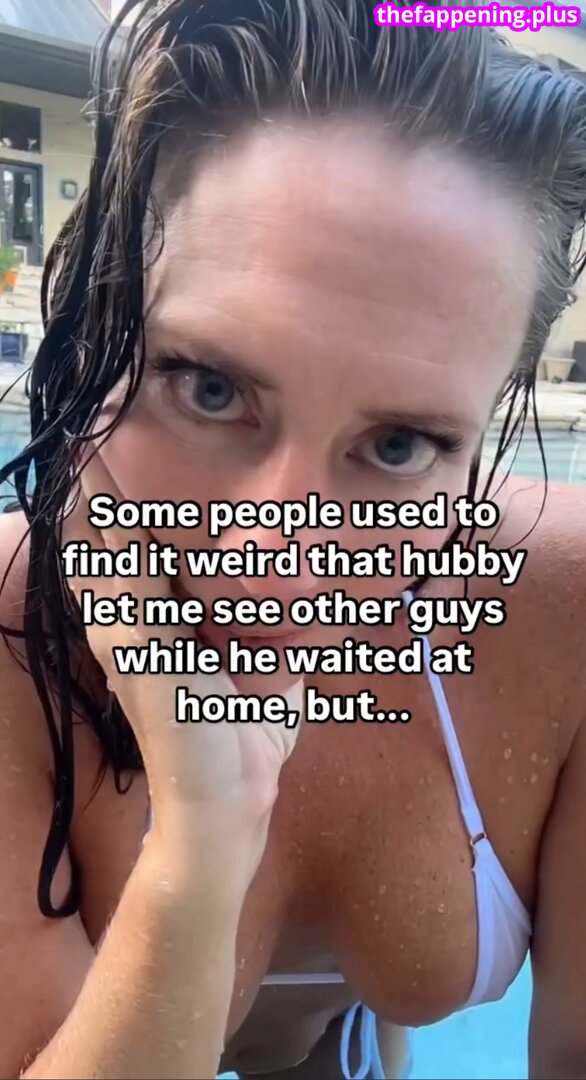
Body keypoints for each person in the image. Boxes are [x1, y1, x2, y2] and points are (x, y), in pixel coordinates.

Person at [0, 1, 585, 1077]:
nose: (273, 559)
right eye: (209, 387)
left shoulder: (563, 607)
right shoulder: (5, 631)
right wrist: (199, 847)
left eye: (400, 445)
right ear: (102, 326)